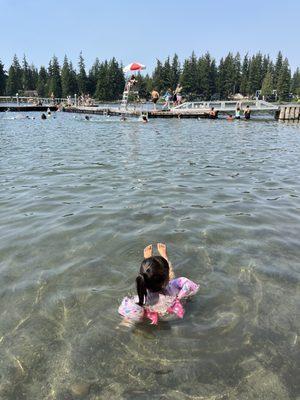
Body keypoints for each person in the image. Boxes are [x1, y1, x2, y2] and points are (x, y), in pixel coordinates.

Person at [118, 243, 199, 325]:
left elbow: (128, 317)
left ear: (142, 280)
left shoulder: (140, 300)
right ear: (166, 280)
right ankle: (164, 257)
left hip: (156, 318)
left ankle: (148, 267)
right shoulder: (174, 287)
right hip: (174, 313)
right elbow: (190, 287)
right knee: (172, 282)